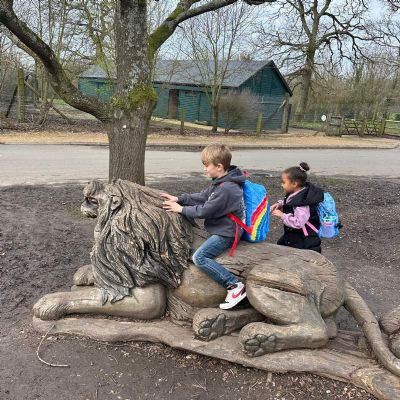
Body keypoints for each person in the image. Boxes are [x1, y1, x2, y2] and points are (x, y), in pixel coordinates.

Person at [161, 144, 247, 310]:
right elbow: (203, 196)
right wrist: (179, 199)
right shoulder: (222, 182)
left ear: (219, 166)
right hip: (223, 228)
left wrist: (181, 209)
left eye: (207, 165)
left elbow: (205, 210)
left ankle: (234, 286)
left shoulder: (227, 189)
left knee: (199, 257)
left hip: (227, 233)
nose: (205, 169)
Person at [271, 162, 324, 253]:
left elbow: (298, 223)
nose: (281, 185)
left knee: (300, 254)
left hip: (304, 237)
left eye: (283, 182)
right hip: (294, 234)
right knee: (281, 246)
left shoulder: (302, 203)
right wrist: (280, 204)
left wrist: (282, 215)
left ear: (294, 184)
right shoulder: (298, 193)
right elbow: (291, 202)